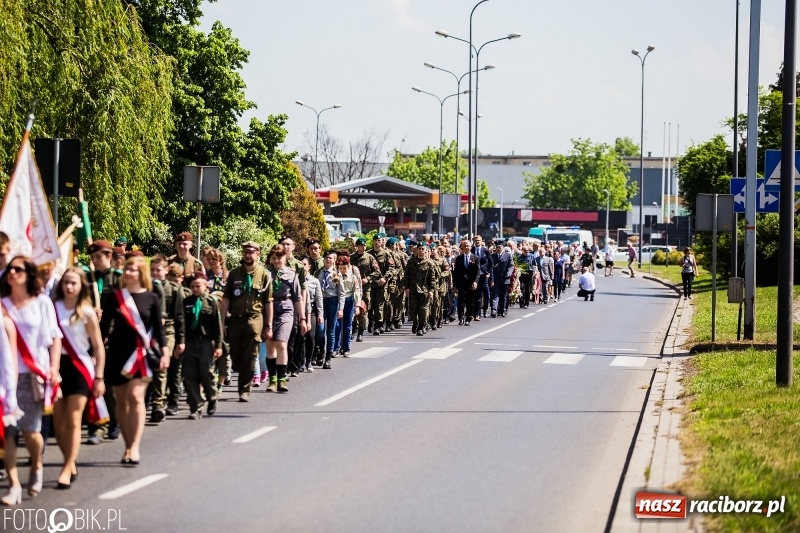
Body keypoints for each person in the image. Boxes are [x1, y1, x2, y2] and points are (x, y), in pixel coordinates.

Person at [1, 256, 62, 504]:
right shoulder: (2, 304)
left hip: (33, 374)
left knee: (30, 431)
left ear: (29, 274)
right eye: (10, 269)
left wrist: (54, 367)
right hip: (5, 377)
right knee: (8, 432)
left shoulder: (42, 302)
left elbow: (55, 338)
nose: (12, 272)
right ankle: (14, 485)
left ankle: (37, 464)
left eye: (18, 269)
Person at [100, 255, 169, 466]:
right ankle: (128, 445)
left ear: (141, 274)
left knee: (136, 397)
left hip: (141, 356)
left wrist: (165, 352)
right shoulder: (114, 297)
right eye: (127, 269)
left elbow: (158, 329)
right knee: (121, 401)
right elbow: (103, 328)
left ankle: (136, 446)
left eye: (133, 270)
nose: (128, 273)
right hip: (117, 355)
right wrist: (95, 351)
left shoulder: (151, 298)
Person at [52, 267, 107, 489]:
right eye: (66, 282)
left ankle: (67, 467)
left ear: (81, 285)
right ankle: (70, 460)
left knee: (74, 419)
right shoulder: (52, 308)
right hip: (57, 366)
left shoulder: (87, 312)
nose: (69, 286)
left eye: (73, 282)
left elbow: (98, 346)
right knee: (59, 423)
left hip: (79, 368)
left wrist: (99, 377)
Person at [221, 242, 273, 402]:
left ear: (258, 254)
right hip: (236, 320)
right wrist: (222, 321)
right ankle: (241, 371)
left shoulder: (264, 275)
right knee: (236, 357)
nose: (248, 255)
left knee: (250, 356)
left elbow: (268, 302)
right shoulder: (234, 274)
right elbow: (226, 298)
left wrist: (268, 325)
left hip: (254, 319)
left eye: (251, 252)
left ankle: (244, 389)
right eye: (246, 252)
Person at [85, 239, 121, 445]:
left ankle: (115, 422)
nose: (95, 260)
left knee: (110, 384)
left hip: (111, 338)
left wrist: (107, 318)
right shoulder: (87, 279)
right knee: (93, 382)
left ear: (109, 256)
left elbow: (125, 309)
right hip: (90, 336)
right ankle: (97, 427)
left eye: (98, 256)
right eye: (92, 257)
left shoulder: (118, 279)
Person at [148, 255, 185, 422]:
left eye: (158, 270)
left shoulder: (173, 289)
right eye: (152, 270)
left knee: (161, 366)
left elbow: (180, 317)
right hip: (148, 330)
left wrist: (181, 340)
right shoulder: (145, 287)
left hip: (168, 330)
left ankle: (159, 405)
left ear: (166, 270)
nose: (155, 273)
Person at [181, 273, 223, 418]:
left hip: (206, 343)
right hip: (190, 342)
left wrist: (218, 345)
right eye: (192, 286)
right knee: (190, 376)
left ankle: (212, 397)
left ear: (205, 286)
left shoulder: (211, 302)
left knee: (207, 373)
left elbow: (217, 325)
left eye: (198, 286)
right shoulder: (186, 302)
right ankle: (195, 407)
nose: (195, 289)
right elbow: (182, 324)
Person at [265, 245, 305, 391]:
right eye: (274, 258)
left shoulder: (291, 275)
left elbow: (297, 298)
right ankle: (272, 380)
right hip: (268, 310)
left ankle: (282, 379)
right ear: (270, 259)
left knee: (281, 344)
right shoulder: (265, 274)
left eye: (279, 258)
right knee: (270, 346)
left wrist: (302, 319)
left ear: (285, 258)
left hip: (285, 310)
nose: (277, 260)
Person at [316, 250, 344, 368]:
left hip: (332, 301)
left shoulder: (337, 274)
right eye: (326, 257)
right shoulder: (319, 272)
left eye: (330, 258)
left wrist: (341, 308)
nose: (328, 259)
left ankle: (328, 357)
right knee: (320, 330)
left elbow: (341, 292)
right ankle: (321, 351)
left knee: (330, 331)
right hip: (321, 302)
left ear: (334, 260)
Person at [333, 255, 360, 356]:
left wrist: (357, 306)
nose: (342, 270)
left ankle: (346, 348)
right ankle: (335, 348)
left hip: (349, 301)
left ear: (348, 266)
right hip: (338, 302)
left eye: (344, 268)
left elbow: (357, 291)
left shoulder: (353, 277)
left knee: (347, 326)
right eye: (340, 268)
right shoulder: (336, 276)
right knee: (337, 326)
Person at [453, 240, 480, 325]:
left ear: (471, 247)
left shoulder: (475, 258)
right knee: (461, 301)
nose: (466, 247)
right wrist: (454, 285)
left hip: (471, 283)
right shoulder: (459, 258)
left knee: (470, 301)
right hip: (461, 282)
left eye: (468, 246)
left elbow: (478, 271)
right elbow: (456, 272)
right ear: (462, 247)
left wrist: (475, 282)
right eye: (465, 246)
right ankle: (461, 318)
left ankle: (468, 317)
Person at [490, 243, 513, 317]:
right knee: (495, 295)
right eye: (497, 247)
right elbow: (490, 267)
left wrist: (509, 273)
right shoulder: (493, 256)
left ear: (503, 247)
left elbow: (511, 265)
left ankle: (503, 310)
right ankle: (494, 310)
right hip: (495, 279)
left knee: (503, 296)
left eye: (499, 247)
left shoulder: (507, 255)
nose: (498, 248)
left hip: (504, 278)